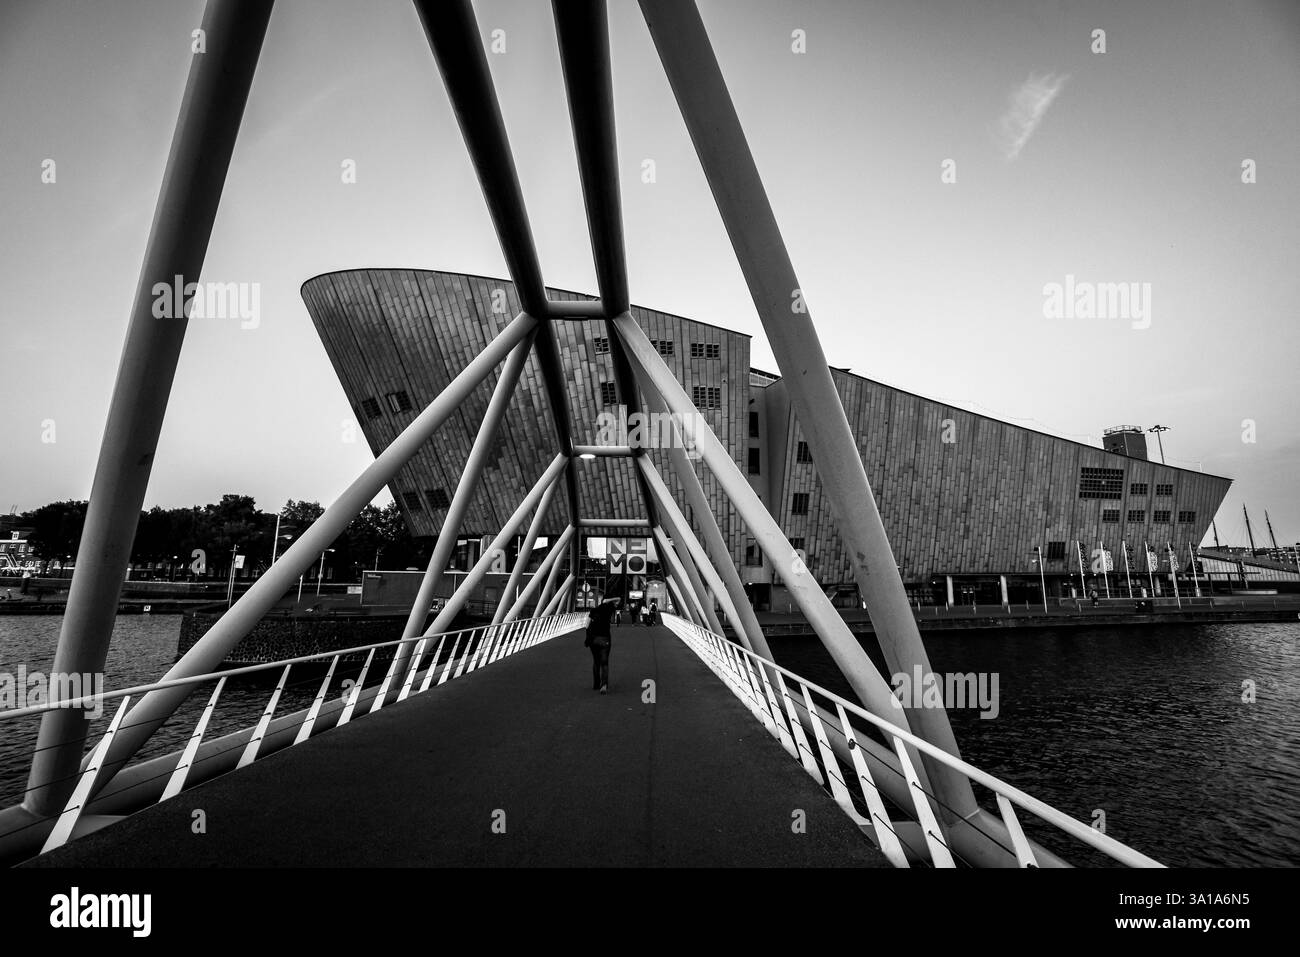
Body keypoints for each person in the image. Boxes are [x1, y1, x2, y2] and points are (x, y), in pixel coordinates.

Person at [584, 595, 620, 694]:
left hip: (593, 640)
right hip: (605, 639)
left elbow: (586, 626)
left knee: (596, 662)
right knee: (604, 663)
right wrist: (609, 600)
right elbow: (618, 599)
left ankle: (596, 684)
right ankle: (604, 685)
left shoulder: (593, 611)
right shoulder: (609, 610)